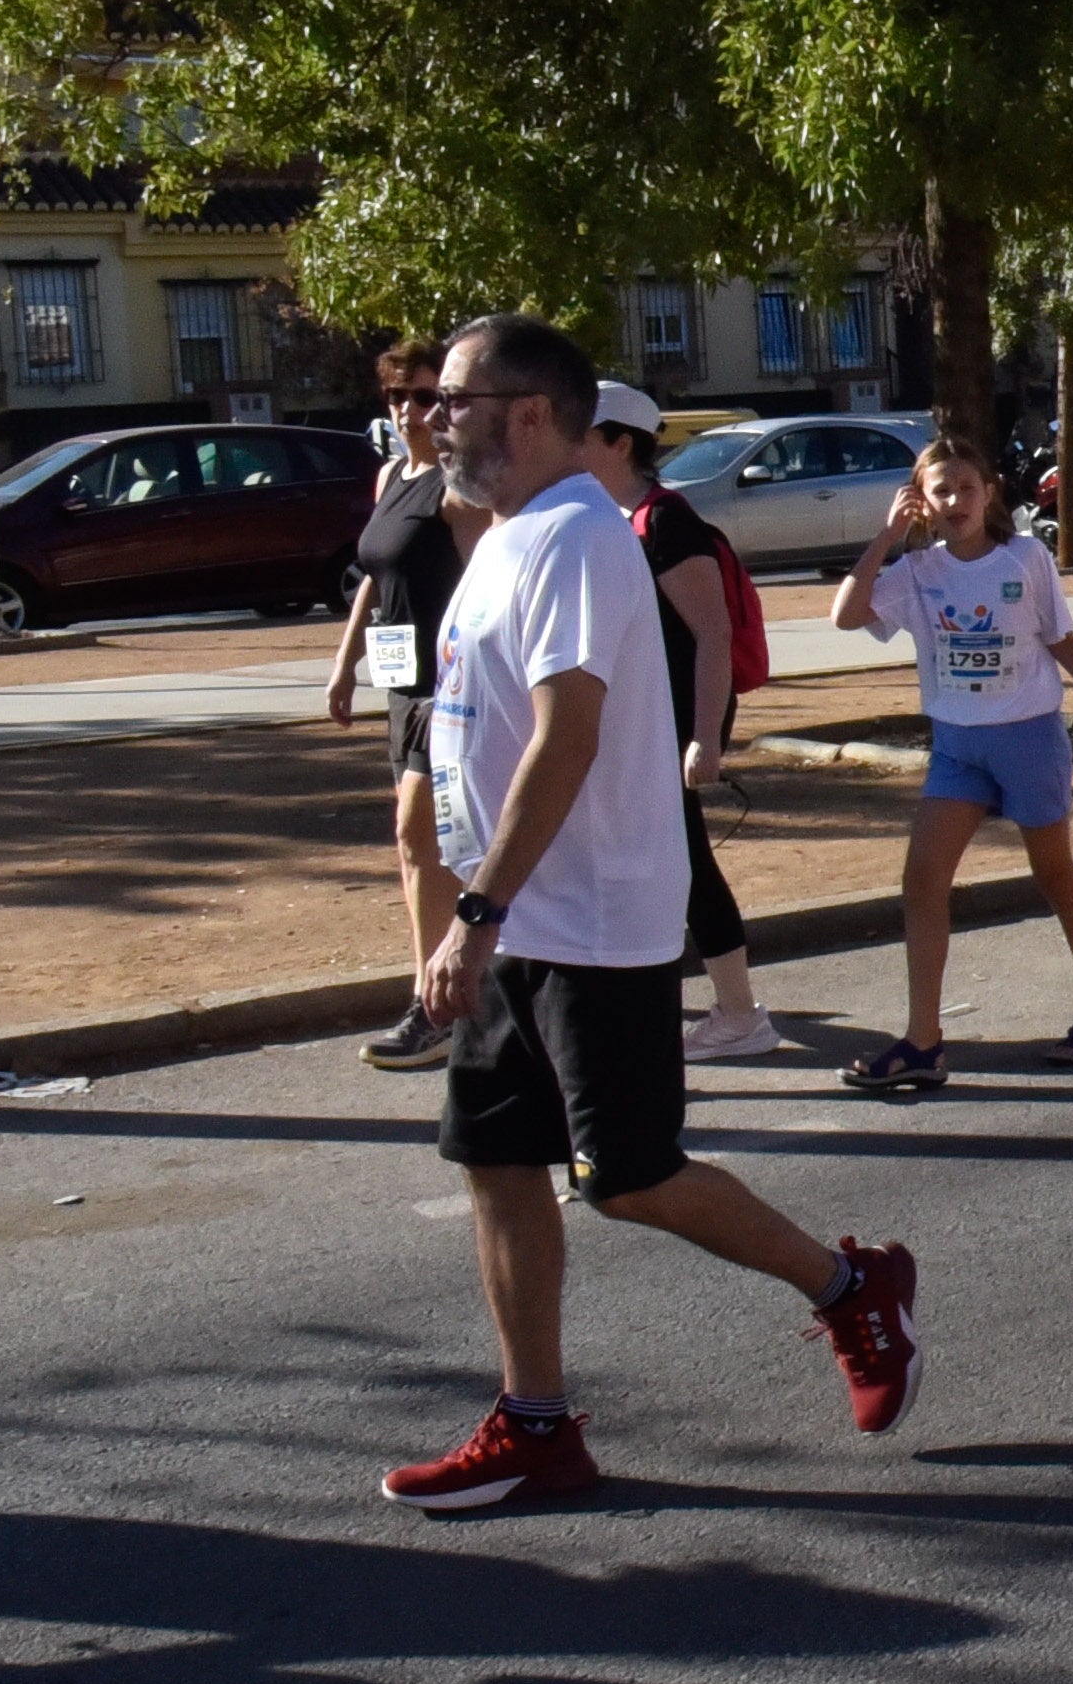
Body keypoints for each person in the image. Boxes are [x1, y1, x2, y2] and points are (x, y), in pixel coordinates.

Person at [379, 314, 922, 1511]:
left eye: (452, 396)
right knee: (498, 1163)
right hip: (519, 920)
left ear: (528, 411)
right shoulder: (508, 538)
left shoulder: (577, 538)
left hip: (588, 921)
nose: (432, 416)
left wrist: (476, 906)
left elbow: (568, 737)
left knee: (625, 1176)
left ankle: (850, 1286)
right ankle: (535, 1423)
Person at [831, 439, 1073, 1087]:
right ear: (922, 500)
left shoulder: (1025, 559)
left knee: (1054, 873)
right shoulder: (917, 571)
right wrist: (887, 534)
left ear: (990, 492)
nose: (955, 501)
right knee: (922, 879)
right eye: (940, 491)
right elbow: (846, 614)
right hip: (957, 747)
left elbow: (1059, 637)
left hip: (1028, 737)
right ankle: (922, 1043)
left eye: (966, 488)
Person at [580, 386, 775, 1062]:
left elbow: (713, 637)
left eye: (583, 434)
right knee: (662, 866)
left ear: (620, 443)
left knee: (686, 867)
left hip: (669, 731)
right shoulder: (609, 519)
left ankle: (740, 1015)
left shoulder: (666, 523)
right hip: (632, 728)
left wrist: (706, 738)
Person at [327, 338, 487, 1073]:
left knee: (420, 835)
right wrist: (344, 664)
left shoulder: (458, 487)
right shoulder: (395, 475)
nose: (409, 411)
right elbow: (373, 575)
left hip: (449, 686)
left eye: (425, 397)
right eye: (396, 398)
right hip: (400, 682)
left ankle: (438, 1007)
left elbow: (493, 572)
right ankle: (448, 990)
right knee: (416, 847)